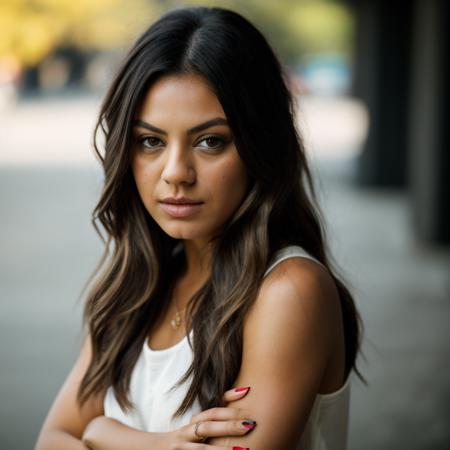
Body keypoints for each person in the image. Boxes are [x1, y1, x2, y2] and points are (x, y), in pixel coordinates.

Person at [35, 5, 363, 450]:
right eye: (150, 141)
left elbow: (76, 433)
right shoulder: (136, 285)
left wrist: (101, 433)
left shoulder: (289, 291)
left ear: (259, 145)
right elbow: (52, 438)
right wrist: (159, 444)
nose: (175, 173)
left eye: (210, 141)